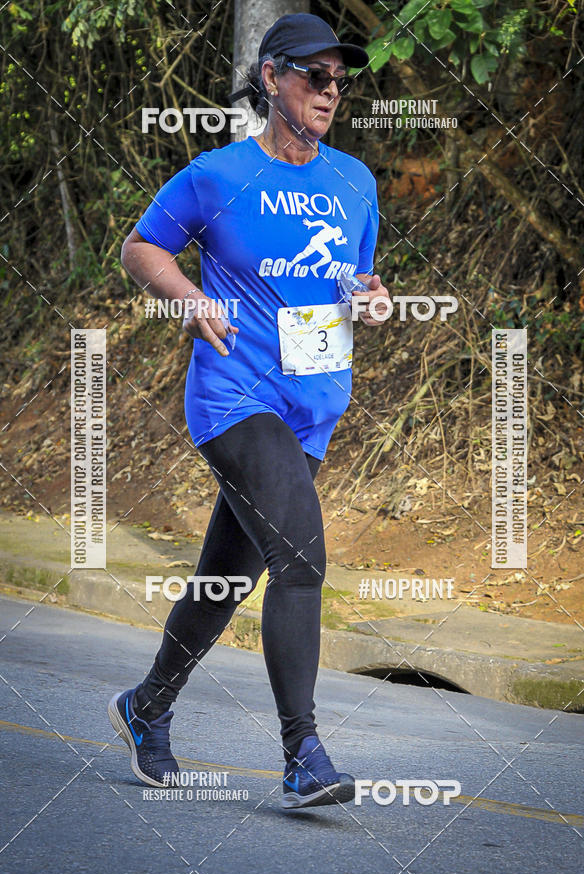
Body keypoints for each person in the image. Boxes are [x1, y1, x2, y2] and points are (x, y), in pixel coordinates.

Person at [109, 12, 390, 809]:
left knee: (225, 578)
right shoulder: (217, 175)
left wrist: (369, 300)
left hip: (313, 406)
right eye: (314, 76)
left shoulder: (355, 182)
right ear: (272, 79)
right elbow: (141, 248)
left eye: (340, 80)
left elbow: (353, 279)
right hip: (236, 395)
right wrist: (191, 299)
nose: (330, 91)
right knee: (301, 557)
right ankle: (303, 752)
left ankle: (146, 705)